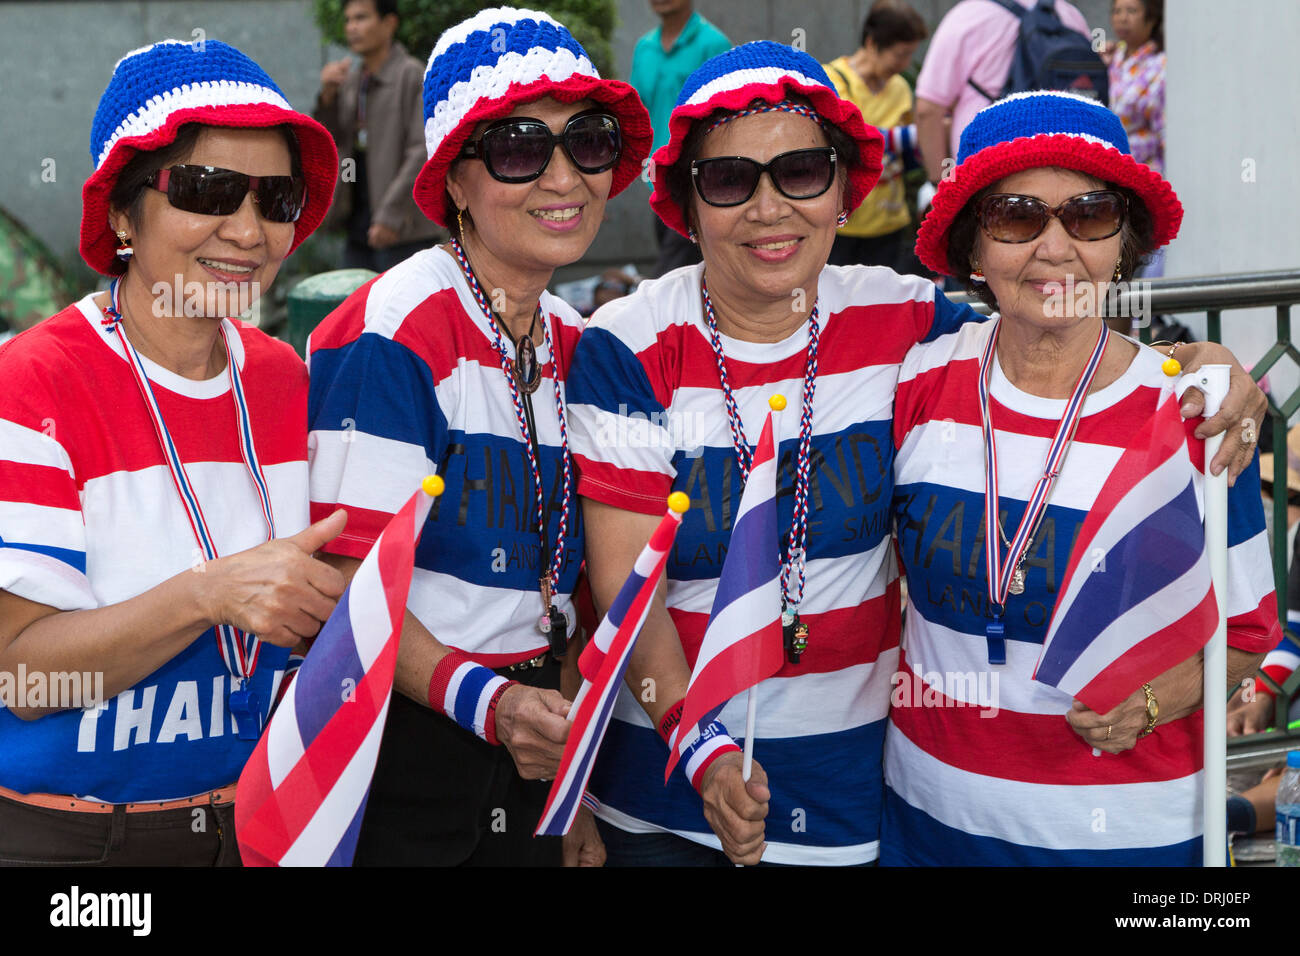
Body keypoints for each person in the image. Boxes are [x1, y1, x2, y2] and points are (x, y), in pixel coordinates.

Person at [566, 41, 1266, 867]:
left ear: (841, 189)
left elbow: (1057, 338)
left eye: (800, 171)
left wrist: (1207, 370)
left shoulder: (904, 325)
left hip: (861, 809)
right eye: (729, 180)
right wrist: (703, 749)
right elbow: (622, 594)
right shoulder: (630, 345)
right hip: (675, 805)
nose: (768, 207)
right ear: (686, 198)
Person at [885, 90, 1280, 865]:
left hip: (1130, 845)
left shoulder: (1193, 410)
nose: (1056, 247)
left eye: (1090, 214)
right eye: (1017, 217)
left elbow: (1248, 632)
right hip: (927, 828)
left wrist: (1151, 702)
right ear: (975, 246)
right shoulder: (915, 382)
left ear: (1122, 245)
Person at [307, 6, 651, 866]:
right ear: (454, 181)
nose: (563, 176)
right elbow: (350, 588)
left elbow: (574, 591)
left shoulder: (580, 342)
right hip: (406, 738)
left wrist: (567, 786)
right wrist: (491, 707)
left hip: (536, 735)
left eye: (589, 141)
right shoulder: (396, 329)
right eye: (518, 148)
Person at [0, 39, 343, 865]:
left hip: (263, 823)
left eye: (276, 198)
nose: (249, 230)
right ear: (122, 212)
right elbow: (21, 679)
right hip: (81, 841)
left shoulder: (284, 378)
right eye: (206, 191)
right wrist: (206, 595)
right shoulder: (35, 381)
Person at [914, 0, 1090, 198]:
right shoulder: (1069, 15)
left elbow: (928, 110)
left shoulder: (967, 16)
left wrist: (940, 183)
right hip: (1066, 165)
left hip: (985, 170)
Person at [315, 0, 441, 271]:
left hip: (404, 230)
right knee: (356, 308)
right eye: (348, 20)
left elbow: (422, 151)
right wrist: (328, 96)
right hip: (359, 223)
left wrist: (391, 216)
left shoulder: (411, 75)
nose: (352, 27)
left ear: (389, 23)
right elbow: (330, 140)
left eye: (361, 18)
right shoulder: (351, 80)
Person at [628, 0, 731, 277]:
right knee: (686, 272)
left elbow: (723, 117)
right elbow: (638, 111)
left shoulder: (714, 44)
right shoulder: (644, 48)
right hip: (656, 178)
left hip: (695, 180)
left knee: (672, 270)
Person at [824, 0, 928, 273]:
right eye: (900, 54)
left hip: (889, 223)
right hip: (842, 224)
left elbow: (908, 156)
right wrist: (925, 132)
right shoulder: (834, 81)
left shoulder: (900, 88)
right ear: (872, 43)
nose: (905, 64)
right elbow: (852, 140)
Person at [1105, 0, 1165, 174]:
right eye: (1117, 11)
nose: (1122, 18)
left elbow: (1164, 130)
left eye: (1131, 11)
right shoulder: (1112, 58)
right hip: (1109, 167)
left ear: (1151, 19)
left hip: (1146, 169)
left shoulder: (1159, 65)